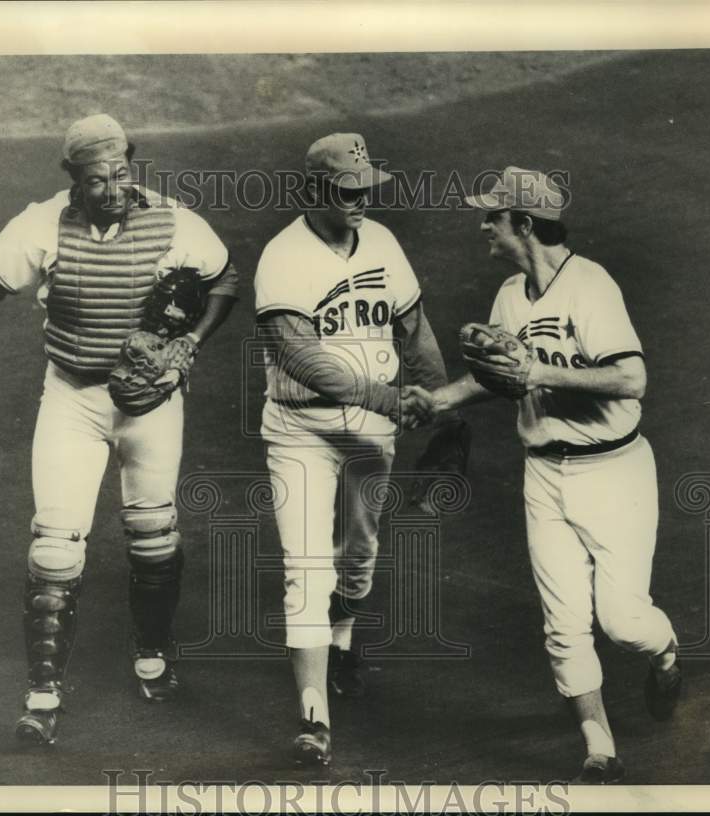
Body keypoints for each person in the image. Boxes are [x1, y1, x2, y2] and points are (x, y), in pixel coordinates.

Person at [0, 114, 239, 745]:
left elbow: (224, 280)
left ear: (133, 163)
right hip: (73, 397)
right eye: (96, 180)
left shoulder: (175, 222)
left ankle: (152, 654)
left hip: (153, 403)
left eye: (122, 172)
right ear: (72, 178)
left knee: (153, 534)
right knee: (54, 545)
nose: (112, 188)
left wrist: (189, 346)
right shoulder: (43, 225)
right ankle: (41, 695)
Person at [429, 166, 682, 784]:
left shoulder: (590, 286)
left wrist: (541, 374)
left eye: (494, 215)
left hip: (613, 472)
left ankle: (667, 653)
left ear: (524, 223)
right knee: (563, 623)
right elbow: (500, 376)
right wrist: (433, 401)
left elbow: (630, 378)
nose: (485, 224)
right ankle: (599, 744)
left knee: (623, 621)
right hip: (543, 475)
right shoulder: (512, 295)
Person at [253, 133, 453, 766]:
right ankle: (314, 718)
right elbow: (306, 362)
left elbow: (414, 330)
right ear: (313, 190)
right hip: (300, 431)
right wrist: (395, 401)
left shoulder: (383, 243)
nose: (361, 200)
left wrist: (444, 410)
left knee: (359, 558)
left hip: (369, 432)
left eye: (367, 189)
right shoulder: (283, 258)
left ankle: (342, 641)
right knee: (305, 570)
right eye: (347, 192)